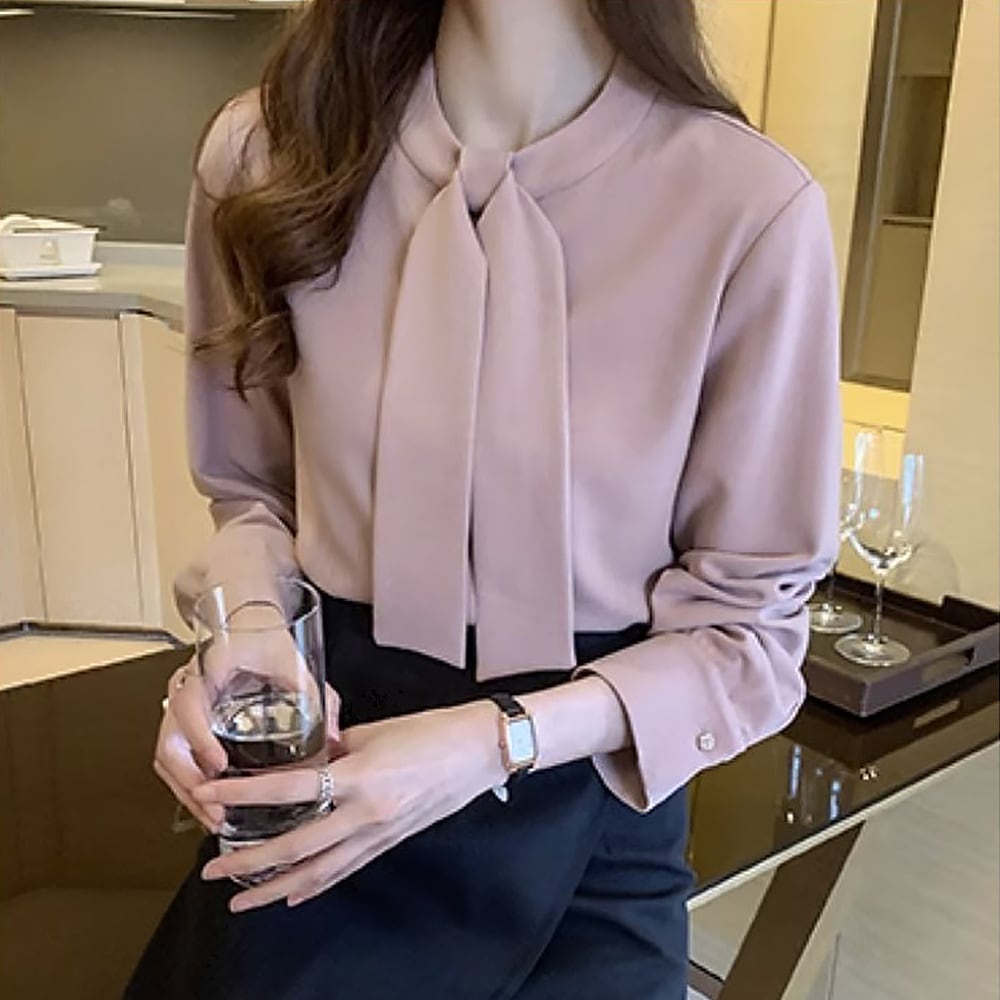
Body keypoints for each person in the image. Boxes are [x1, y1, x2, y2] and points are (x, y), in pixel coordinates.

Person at [127, 1, 841, 997]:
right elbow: (250, 494)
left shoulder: (749, 206)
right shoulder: (264, 156)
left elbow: (748, 631)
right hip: (328, 771)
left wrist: (497, 741)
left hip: (588, 788)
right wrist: (249, 640)